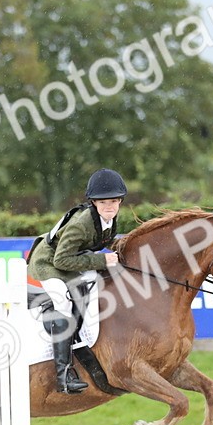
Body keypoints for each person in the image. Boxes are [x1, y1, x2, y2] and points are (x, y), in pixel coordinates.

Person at [27, 168, 126, 394]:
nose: (109, 206)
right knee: (62, 301)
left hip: (71, 259)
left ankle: (80, 340)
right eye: (103, 202)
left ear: (120, 201)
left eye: (114, 201)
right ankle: (63, 375)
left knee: (95, 282)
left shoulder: (110, 220)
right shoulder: (82, 223)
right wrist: (101, 260)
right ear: (93, 203)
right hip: (49, 262)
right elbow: (61, 260)